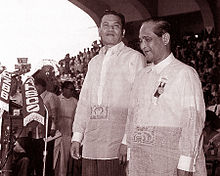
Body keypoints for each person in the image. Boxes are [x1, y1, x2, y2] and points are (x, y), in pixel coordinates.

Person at [123, 18, 207, 176]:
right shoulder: (141, 76)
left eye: (148, 39)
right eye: (141, 41)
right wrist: (128, 148)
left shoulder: (185, 73)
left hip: (172, 163)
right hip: (141, 162)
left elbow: (193, 121)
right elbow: (132, 115)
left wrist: (186, 163)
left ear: (165, 38)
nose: (143, 46)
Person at [70, 10, 145, 176]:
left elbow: (139, 104)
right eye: (106, 25)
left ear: (123, 32)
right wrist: (77, 137)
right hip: (91, 143)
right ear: (99, 31)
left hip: (117, 143)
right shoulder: (94, 62)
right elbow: (84, 101)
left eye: (115, 26)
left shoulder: (134, 58)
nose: (110, 29)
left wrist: (127, 141)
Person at [33, 77, 60, 176]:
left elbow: (54, 114)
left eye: (36, 86)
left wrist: (53, 128)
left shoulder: (50, 96)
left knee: (47, 157)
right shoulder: (36, 97)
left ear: (40, 86)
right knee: (38, 157)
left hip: (48, 131)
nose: (35, 88)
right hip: (38, 131)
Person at [53, 81, 78, 176]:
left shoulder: (75, 102)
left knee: (65, 158)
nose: (72, 92)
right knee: (55, 156)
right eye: (70, 89)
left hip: (68, 132)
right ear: (63, 89)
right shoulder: (57, 99)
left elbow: (76, 118)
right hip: (57, 132)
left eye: (73, 90)